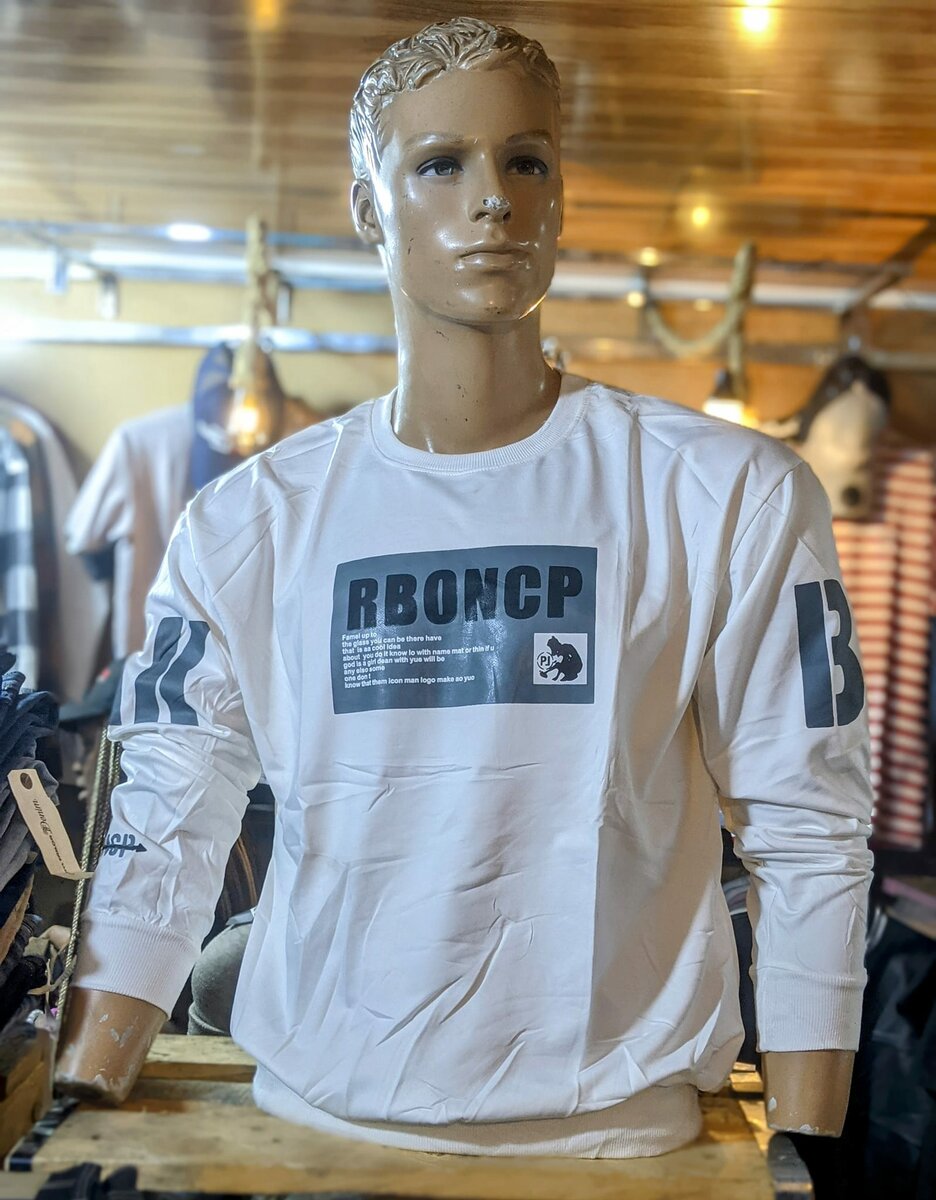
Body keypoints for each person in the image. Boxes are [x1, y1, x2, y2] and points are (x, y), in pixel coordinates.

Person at [57, 17, 873, 1159]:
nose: (492, 199)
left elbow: (809, 823)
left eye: (525, 162)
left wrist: (808, 1137)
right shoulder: (249, 522)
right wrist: (88, 1073)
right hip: (316, 1123)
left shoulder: (724, 493)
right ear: (367, 209)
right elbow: (169, 816)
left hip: (615, 1138)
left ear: (560, 197)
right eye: (440, 164)